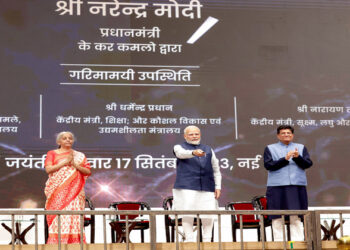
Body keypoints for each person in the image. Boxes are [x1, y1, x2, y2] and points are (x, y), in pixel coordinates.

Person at [172, 125, 221, 242]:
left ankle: (207, 240)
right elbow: (181, 154)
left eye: (196, 134)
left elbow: (216, 168)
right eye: (191, 134)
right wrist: (193, 152)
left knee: (208, 214)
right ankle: (189, 240)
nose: (194, 136)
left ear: (200, 135)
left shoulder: (208, 149)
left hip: (207, 186)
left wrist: (218, 186)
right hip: (186, 186)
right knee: (187, 213)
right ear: (185, 136)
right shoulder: (178, 147)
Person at [264, 125, 313, 241]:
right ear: (278, 135)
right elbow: (268, 165)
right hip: (276, 187)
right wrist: (284, 159)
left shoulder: (300, 148)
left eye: (288, 133)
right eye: (283, 133)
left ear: (293, 135)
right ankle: (279, 245)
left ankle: (298, 244)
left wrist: (297, 157)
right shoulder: (270, 148)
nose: (286, 135)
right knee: (277, 217)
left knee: (295, 216)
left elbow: (308, 164)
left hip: (296, 186)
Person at [44, 131, 91, 244]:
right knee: (59, 219)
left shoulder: (79, 155)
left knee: (74, 219)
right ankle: (58, 244)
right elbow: (48, 169)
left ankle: (76, 245)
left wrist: (75, 164)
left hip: (76, 193)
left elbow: (88, 171)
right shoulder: (52, 153)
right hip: (58, 192)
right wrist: (65, 162)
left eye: (70, 138)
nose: (68, 140)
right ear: (59, 141)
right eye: (64, 138)